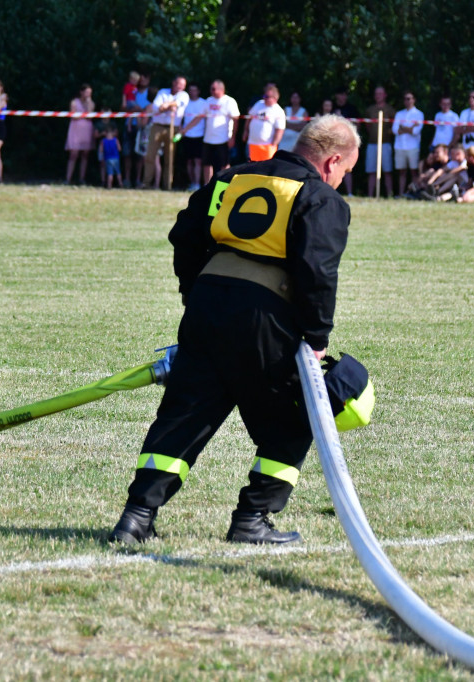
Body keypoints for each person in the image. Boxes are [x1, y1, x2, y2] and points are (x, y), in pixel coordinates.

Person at [109, 114, 360, 546]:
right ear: (332, 161)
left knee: (184, 414)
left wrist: (197, 292)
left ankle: (136, 517)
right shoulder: (319, 197)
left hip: (208, 307)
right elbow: (317, 272)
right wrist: (317, 340)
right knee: (296, 417)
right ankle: (252, 518)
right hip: (266, 319)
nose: (340, 181)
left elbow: (184, 234)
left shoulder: (232, 177)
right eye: (345, 172)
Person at [186, 79, 240, 185]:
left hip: (223, 138)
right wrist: (186, 129)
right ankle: (207, 185)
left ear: (221, 89)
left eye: (213, 89)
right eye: (211, 89)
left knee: (224, 164)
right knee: (206, 164)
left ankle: (224, 185)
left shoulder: (229, 101)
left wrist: (232, 137)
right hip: (208, 138)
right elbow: (199, 117)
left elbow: (236, 120)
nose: (211, 91)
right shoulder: (209, 101)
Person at [143, 75, 189, 190]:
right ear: (174, 83)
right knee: (150, 155)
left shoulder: (184, 95)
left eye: (183, 85)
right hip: (157, 127)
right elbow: (156, 107)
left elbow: (178, 104)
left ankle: (167, 185)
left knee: (169, 157)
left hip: (173, 128)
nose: (181, 87)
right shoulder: (163, 92)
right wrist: (167, 107)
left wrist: (167, 105)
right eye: (179, 84)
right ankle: (146, 183)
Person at [362, 86, 396, 198]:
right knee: (371, 171)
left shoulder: (390, 110)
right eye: (376, 93)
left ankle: (389, 195)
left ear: (385, 95)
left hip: (385, 144)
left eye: (380, 93)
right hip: (372, 144)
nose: (378, 96)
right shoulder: (369, 110)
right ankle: (370, 195)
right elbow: (367, 126)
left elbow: (394, 126)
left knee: (387, 171)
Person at [393, 91, 424, 196]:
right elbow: (395, 130)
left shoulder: (419, 114)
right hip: (400, 146)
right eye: (406, 99)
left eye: (410, 98)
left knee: (414, 171)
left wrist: (403, 127)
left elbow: (416, 132)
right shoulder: (399, 114)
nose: (408, 101)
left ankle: (414, 193)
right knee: (402, 172)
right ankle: (401, 193)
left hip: (413, 147)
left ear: (414, 100)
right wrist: (410, 127)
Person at [244, 84, 286, 162]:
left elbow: (280, 130)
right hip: (253, 143)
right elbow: (249, 118)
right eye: (264, 96)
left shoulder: (278, 111)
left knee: (266, 168)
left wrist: (274, 144)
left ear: (275, 98)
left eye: (267, 97)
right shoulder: (259, 104)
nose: (264, 98)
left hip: (267, 146)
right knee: (252, 166)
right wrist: (245, 132)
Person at [65, 84, 95, 185]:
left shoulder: (91, 103)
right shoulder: (74, 102)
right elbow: (74, 116)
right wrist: (83, 116)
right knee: (74, 154)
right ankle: (68, 178)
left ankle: (82, 179)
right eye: (86, 92)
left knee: (85, 154)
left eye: (89, 93)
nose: (88, 94)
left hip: (87, 130)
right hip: (75, 130)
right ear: (81, 92)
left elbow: (90, 116)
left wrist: (88, 104)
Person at [332, 88, 359, 195]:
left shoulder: (351, 108)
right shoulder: (332, 107)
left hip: (347, 142)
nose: (343, 97)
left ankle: (349, 193)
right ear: (336, 95)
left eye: (345, 95)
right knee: (332, 167)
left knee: (347, 168)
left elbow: (358, 126)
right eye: (341, 94)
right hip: (332, 143)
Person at [180, 83, 206, 191]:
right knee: (189, 161)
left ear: (198, 91)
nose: (192, 92)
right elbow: (179, 116)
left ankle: (197, 184)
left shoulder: (203, 103)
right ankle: (192, 183)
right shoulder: (185, 102)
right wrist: (181, 129)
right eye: (190, 90)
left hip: (199, 136)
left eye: (194, 90)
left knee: (198, 161)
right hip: (186, 136)